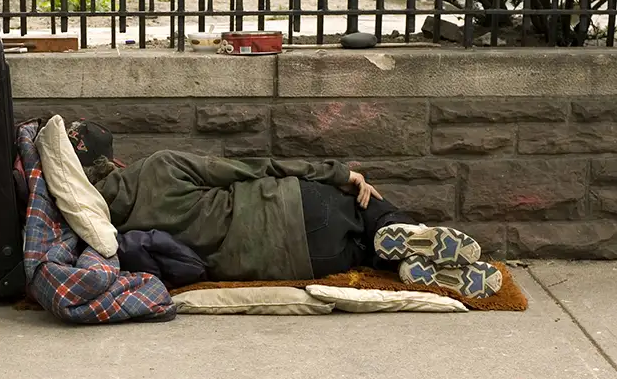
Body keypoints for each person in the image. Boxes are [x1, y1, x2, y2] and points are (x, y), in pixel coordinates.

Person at [66, 120, 503, 299]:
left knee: (356, 255)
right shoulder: (159, 166)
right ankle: (403, 232)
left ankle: (398, 261)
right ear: (113, 160)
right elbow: (252, 167)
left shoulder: (100, 230)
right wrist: (335, 172)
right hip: (297, 206)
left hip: (295, 260)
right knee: (364, 203)